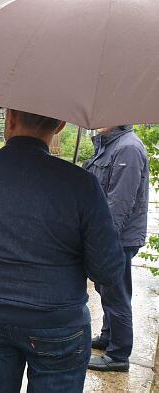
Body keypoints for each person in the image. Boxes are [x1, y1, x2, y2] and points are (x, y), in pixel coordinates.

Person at [0, 109, 126, 393]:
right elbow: (107, 270)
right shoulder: (81, 184)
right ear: (59, 125)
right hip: (58, 326)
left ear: (9, 119)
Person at [83, 125, 149, 372]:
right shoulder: (110, 145)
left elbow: (119, 203)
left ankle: (119, 355)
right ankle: (108, 336)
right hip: (111, 236)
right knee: (106, 289)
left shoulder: (128, 148)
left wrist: (103, 240)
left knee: (117, 294)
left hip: (117, 238)